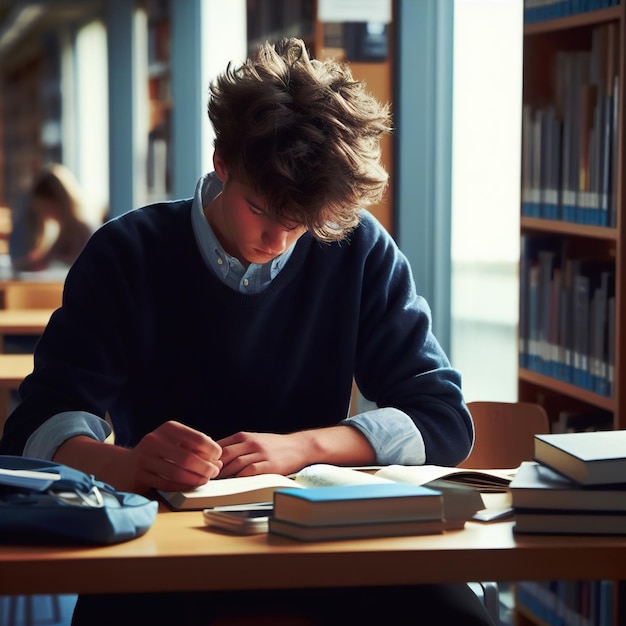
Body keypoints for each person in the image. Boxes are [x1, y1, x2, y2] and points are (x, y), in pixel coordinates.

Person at [0, 38, 494, 626]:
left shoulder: (356, 247)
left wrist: (304, 447)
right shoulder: (127, 253)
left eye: (301, 223)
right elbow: (33, 429)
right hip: (167, 546)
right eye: (261, 210)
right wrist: (127, 465)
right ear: (222, 162)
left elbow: (441, 416)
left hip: (328, 543)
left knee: (456, 615)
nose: (278, 241)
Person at [9, 163, 95, 273]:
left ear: (56, 202)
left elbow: (72, 265)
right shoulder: (62, 230)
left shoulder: (81, 231)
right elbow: (45, 260)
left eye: (43, 206)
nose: (41, 213)